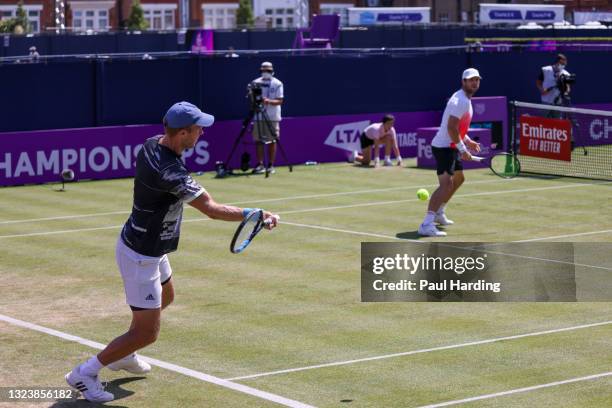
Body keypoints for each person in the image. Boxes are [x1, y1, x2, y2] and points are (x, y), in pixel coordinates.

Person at [65, 101, 279, 403]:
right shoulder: (170, 172)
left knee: (167, 297)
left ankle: (123, 355)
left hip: (150, 245)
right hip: (141, 255)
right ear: (181, 133)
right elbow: (213, 210)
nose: (202, 132)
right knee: (147, 332)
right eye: (197, 128)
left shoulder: (152, 144)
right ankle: (85, 373)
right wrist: (257, 213)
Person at [418, 68, 481, 237]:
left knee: (459, 179)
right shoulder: (459, 101)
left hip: (452, 145)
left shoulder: (465, 100)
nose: (474, 82)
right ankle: (426, 224)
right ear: (464, 82)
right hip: (444, 147)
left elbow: (459, 128)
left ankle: (439, 212)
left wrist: (468, 141)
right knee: (446, 185)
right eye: (471, 80)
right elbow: (451, 128)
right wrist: (463, 149)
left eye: (476, 80)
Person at [250, 61, 284, 174]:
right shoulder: (255, 82)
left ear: (272, 71)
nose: (266, 72)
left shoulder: (277, 83)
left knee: (272, 140)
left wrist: (268, 101)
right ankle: (260, 164)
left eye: (268, 70)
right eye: (264, 70)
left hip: (273, 117)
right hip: (259, 116)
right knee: (258, 141)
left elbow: (280, 100)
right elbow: (251, 99)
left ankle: (270, 165)